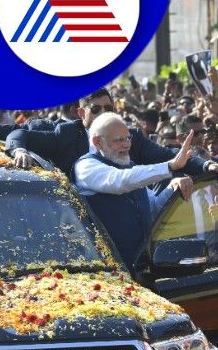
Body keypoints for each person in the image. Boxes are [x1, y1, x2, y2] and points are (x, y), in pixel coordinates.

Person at [5, 88, 218, 182]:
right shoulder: (66, 134)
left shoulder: (129, 136)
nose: (103, 114)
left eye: (109, 108)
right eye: (96, 109)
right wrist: (20, 150)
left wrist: (207, 166)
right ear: (80, 113)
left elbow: (168, 155)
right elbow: (18, 134)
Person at [74, 112, 195, 270]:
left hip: (143, 267)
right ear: (98, 142)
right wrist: (169, 166)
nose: (126, 145)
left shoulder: (130, 168)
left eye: (128, 138)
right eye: (119, 140)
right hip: (109, 271)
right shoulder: (86, 166)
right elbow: (120, 181)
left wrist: (173, 187)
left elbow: (152, 209)